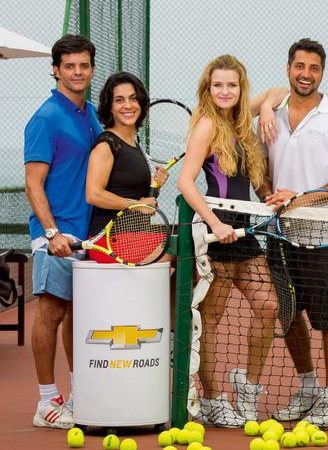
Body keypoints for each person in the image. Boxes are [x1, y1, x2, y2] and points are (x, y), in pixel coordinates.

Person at [178, 54, 283, 427]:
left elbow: (279, 91)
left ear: (241, 89)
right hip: (217, 236)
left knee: (269, 307)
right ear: (208, 88)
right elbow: (186, 182)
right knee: (211, 323)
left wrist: (267, 107)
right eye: (218, 85)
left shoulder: (241, 121)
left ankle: (247, 385)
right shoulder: (207, 125)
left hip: (246, 235)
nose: (225, 91)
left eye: (232, 85)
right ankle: (212, 399)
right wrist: (213, 223)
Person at [265, 38, 328, 428]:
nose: (305, 74)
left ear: (322, 73)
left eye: (313, 68)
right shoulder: (270, 112)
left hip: (325, 233)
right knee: (289, 315)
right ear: (288, 68)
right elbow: (262, 169)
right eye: (299, 66)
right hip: (279, 233)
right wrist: (268, 197)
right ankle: (307, 388)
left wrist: (301, 200)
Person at [24, 34, 102, 429]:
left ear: (91, 69)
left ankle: (77, 391)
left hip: (85, 235)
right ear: (55, 70)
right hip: (54, 237)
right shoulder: (46, 118)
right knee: (51, 312)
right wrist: (52, 232)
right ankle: (44, 400)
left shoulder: (89, 114)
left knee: (76, 313)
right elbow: (33, 183)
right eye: (69, 66)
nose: (77, 72)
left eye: (83, 65)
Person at [85, 71, 169, 263]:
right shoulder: (106, 144)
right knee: (184, 247)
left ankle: (169, 295)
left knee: (192, 248)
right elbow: (93, 194)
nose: (128, 105)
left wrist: (155, 186)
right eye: (119, 100)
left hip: (134, 236)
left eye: (133, 99)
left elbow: (140, 199)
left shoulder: (133, 143)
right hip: (109, 240)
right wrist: (137, 204)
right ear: (110, 107)